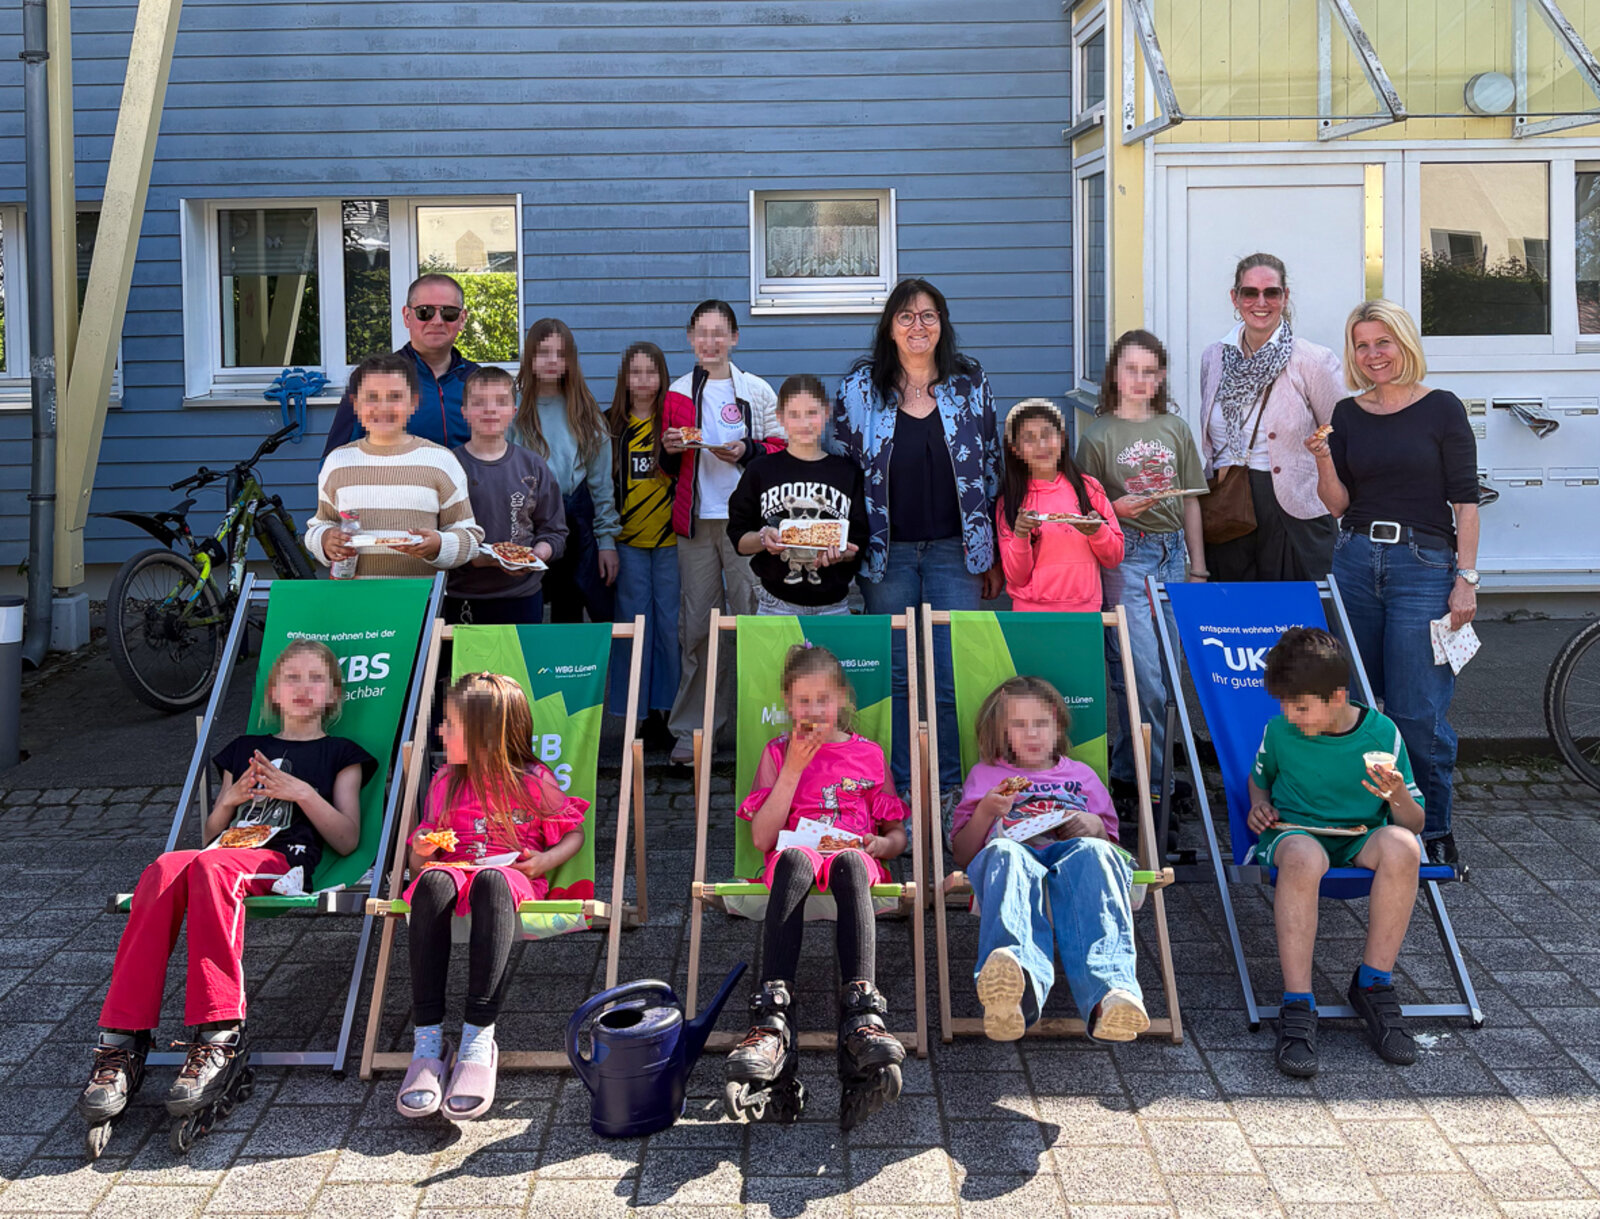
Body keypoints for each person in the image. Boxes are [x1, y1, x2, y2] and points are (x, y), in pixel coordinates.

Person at [79, 642, 374, 1135]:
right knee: (164, 868)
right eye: (292, 679)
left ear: (333, 695)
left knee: (213, 871)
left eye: (315, 679)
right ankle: (122, 1039)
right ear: (274, 694)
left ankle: (219, 1033)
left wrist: (301, 792)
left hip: (282, 860)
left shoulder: (339, 755)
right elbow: (210, 835)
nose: (303, 688)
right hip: (225, 853)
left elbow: (347, 838)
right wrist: (231, 799)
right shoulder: (243, 750)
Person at [1308, 299, 1478, 874]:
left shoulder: (1442, 409)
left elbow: (1466, 502)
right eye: (1362, 345)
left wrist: (1467, 581)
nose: (1373, 354)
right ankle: (1359, 822)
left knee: (1416, 708)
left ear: (1403, 343)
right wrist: (1323, 460)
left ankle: (1432, 829)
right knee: (1352, 703)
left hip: (1423, 566)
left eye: (1383, 342)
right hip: (1355, 558)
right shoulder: (1346, 414)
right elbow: (1337, 505)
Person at [725, 644, 909, 1131]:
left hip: (854, 859)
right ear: (788, 704)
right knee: (794, 857)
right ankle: (772, 1014)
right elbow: (763, 837)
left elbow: (895, 835)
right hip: (795, 860)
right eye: (802, 702)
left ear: (842, 699)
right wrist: (792, 768)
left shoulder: (868, 754)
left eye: (822, 700)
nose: (813, 712)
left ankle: (863, 1010)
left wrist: (881, 844)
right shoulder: (777, 753)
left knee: (850, 861)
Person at [831, 278, 1001, 804]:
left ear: (943, 323)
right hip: (888, 554)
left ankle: (953, 791)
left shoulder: (969, 381)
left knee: (951, 676)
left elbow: (991, 463)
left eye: (928, 315)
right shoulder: (860, 387)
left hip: (956, 549)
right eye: (906, 317)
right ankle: (900, 790)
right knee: (900, 677)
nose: (918, 326)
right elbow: (840, 468)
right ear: (889, 327)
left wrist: (990, 548)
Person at [398, 673, 587, 1121]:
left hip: (512, 878)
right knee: (430, 882)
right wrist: (419, 852)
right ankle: (427, 1039)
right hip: (453, 871)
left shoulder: (533, 781)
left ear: (487, 735)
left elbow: (573, 833)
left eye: (451, 724)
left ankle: (478, 1038)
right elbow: (420, 859)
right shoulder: (446, 780)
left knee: (491, 882)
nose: (441, 733)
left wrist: (546, 860)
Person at [1248, 628, 1425, 1078]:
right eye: (1284, 704)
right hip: (1296, 833)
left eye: (1301, 706)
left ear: (1337, 696)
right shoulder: (1279, 731)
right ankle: (1298, 1001)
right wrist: (1257, 805)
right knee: (1305, 859)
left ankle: (1374, 983)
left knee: (1404, 847)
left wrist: (1398, 797)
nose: (1290, 715)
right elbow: (1259, 778)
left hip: (1360, 833)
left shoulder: (1383, 734)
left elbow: (1414, 822)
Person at [950, 676, 1148, 1042]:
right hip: (1015, 858)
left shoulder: (1081, 776)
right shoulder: (987, 776)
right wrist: (985, 813)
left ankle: (1112, 995)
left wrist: (1094, 825)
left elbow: (1111, 845)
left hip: (1073, 860)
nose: (1032, 734)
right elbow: (963, 854)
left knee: (1096, 851)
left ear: (1057, 727)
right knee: (1005, 852)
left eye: (1041, 723)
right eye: (1019, 725)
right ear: (1001, 732)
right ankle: (1015, 984)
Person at [1076, 330, 1207, 816]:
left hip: (1172, 554)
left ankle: (1135, 776)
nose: (1140, 379)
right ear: (1115, 375)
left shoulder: (1175, 428)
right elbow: (1083, 513)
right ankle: (1159, 789)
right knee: (1141, 677)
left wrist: (1199, 567)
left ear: (1161, 376)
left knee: (1170, 678)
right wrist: (1115, 506)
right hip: (1125, 556)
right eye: (1131, 370)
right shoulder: (1097, 436)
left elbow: (1191, 499)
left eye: (1149, 371)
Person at [660, 300, 786, 765]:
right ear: (690, 337)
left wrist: (748, 448)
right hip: (695, 523)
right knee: (697, 627)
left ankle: (761, 729)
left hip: (747, 525)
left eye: (719, 333)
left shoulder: (755, 390)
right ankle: (694, 730)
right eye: (701, 333)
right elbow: (667, 462)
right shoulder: (676, 391)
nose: (710, 342)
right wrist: (672, 447)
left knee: (754, 619)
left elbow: (781, 445)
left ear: (735, 337)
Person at [1198, 254, 1344, 581]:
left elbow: (1339, 434)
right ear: (1235, 298)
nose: (1260, 302)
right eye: (1250, 293)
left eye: (1271, 293)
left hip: (1294, 506)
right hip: (1229, 500)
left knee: (1300, 618)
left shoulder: (1312, 360)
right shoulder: (1214, 356)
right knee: (1237, 616)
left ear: (1285, 297)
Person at [306, 352, 483, 578]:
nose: (383, 407)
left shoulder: (441, 461)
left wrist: (439, 544)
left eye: (395, 396)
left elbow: (469, 536)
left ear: (413, 403)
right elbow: (320, 525)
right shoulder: (338, 463)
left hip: (419, 599)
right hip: (353, 598)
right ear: (356, 405)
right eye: (372, 397)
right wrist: (324, 540)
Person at [726, 374, 868, 617]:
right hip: (775, 605)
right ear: (780, 417)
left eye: (812, 412)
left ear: (826, 413)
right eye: (794, 414)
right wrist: (763, 538)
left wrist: (840, 554)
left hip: (834, 606)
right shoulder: (760, 470)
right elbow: (739, 538)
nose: (804, 423)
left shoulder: (847, 472)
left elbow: (857, 543)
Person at [513, 318, 620, 625]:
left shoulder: (586, 414)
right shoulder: (513, 410)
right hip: (526, 529)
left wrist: (607, 543)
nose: (552, 361)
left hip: (576, 532)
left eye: (560, 354)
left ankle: (569, 672)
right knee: (527, 619)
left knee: (569, 616)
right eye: (543, 352)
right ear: (530, 357)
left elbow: (602, 488)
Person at [445, 367, 567, 625]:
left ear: (513, 411)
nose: (490, 410)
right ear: (464, 411)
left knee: (516, 666)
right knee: (465, 667)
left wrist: (539, 554)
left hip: (522, 596)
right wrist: (474, 556)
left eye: (500, 402)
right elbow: (438, 535)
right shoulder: (447, 466)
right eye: (479, 403)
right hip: (462, 596)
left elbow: (555, 531)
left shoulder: (533, 466)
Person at [605, 342, 679, 739]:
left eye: (652, 372)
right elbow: (602, 487)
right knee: (635, 626)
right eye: (636, 373)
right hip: (627, 544)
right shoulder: (611, 426)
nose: (644, 381)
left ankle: (670, 712)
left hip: (670, 543)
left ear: (662, 377)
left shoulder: (674, 427)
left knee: (670, 628)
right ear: (624, 378)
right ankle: (636, 713)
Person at [323, 273, 478, 455]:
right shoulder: (373, 379)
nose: (437, 321)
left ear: (462, 319)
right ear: (407, 316)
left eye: (449, 313)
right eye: (425, 312)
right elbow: (335, 459)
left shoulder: (477, 380)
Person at [996, 398, 1123, 613]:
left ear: (1062, 439)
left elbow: (1114, 557)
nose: (1041, 445)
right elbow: (1016, 576)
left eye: (1047, 435)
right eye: (1029, 439)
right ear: (1015, 449)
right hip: (1030, 613)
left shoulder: (1089, 489)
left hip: (1086, 610)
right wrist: (1021, 534)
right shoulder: (1010, 502)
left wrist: (1097, 531)